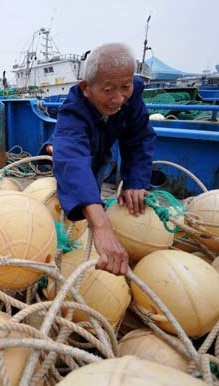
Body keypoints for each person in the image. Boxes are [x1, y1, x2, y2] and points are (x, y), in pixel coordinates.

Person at [41, 43, 156, 276]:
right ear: (86, 88)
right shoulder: (73, 111)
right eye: (108, 90)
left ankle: (88, 215)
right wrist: (102, 226)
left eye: (125, 87)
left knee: (94, 181)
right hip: (70, 149)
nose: (118, 98)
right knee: (73, 177)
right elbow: (72, 161)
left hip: (101, 149)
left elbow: (139, 138)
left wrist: (135, 182)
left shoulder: (131, 97)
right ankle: (82, 224)